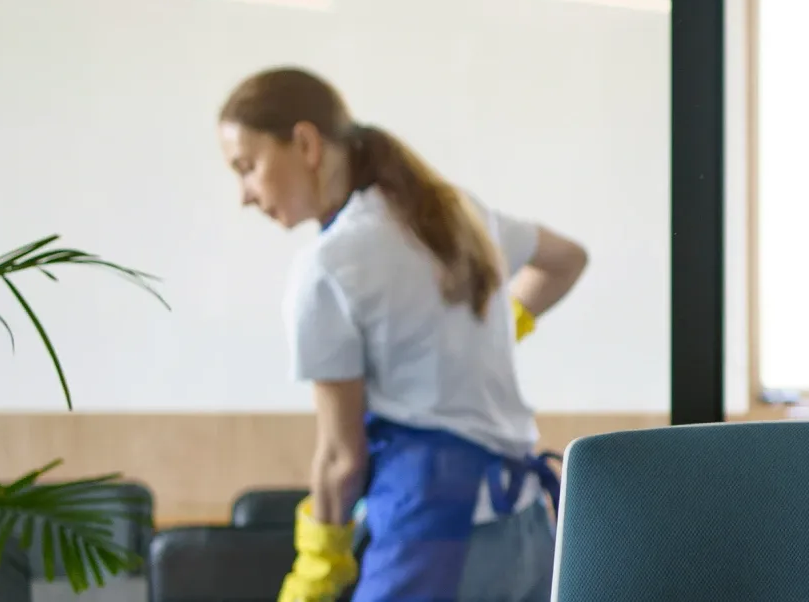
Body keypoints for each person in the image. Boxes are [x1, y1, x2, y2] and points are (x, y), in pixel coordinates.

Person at [216, 67, 589, 602]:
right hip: (528, 531)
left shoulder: (329, 266)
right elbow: (567, 260)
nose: (245, 195)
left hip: (434, 536)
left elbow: (341, 459)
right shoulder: (455, 212)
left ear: (304, 143)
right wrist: (497, 330)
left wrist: (316, 572)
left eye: (247, 167)